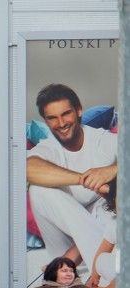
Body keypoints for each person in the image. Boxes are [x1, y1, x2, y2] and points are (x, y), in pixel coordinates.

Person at [27, 83, 117, 275]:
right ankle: (94, 263)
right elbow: (28, 169)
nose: (60, 123)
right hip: (67, 240)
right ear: (45, 120)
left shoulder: (101, 140)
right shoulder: (48, 148)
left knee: (110, 200)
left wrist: (111, 170)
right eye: (52, 118)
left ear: (78, 111)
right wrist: (84, 179)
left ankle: (73, 259)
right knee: (39, 189)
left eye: (66, 114)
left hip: (99, 241)